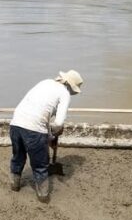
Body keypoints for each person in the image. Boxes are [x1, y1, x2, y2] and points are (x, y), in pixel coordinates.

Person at [8, 70, 83, 203]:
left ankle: (14, 185)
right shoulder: (64, 93)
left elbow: (40, 114)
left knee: (18, 157)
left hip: (15, 124)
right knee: (40, 165)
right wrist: (54, 133)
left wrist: (49, 137)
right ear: (70, 87)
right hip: (34, 130)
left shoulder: (45, 82)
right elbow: (58, 123)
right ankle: (43, 196)